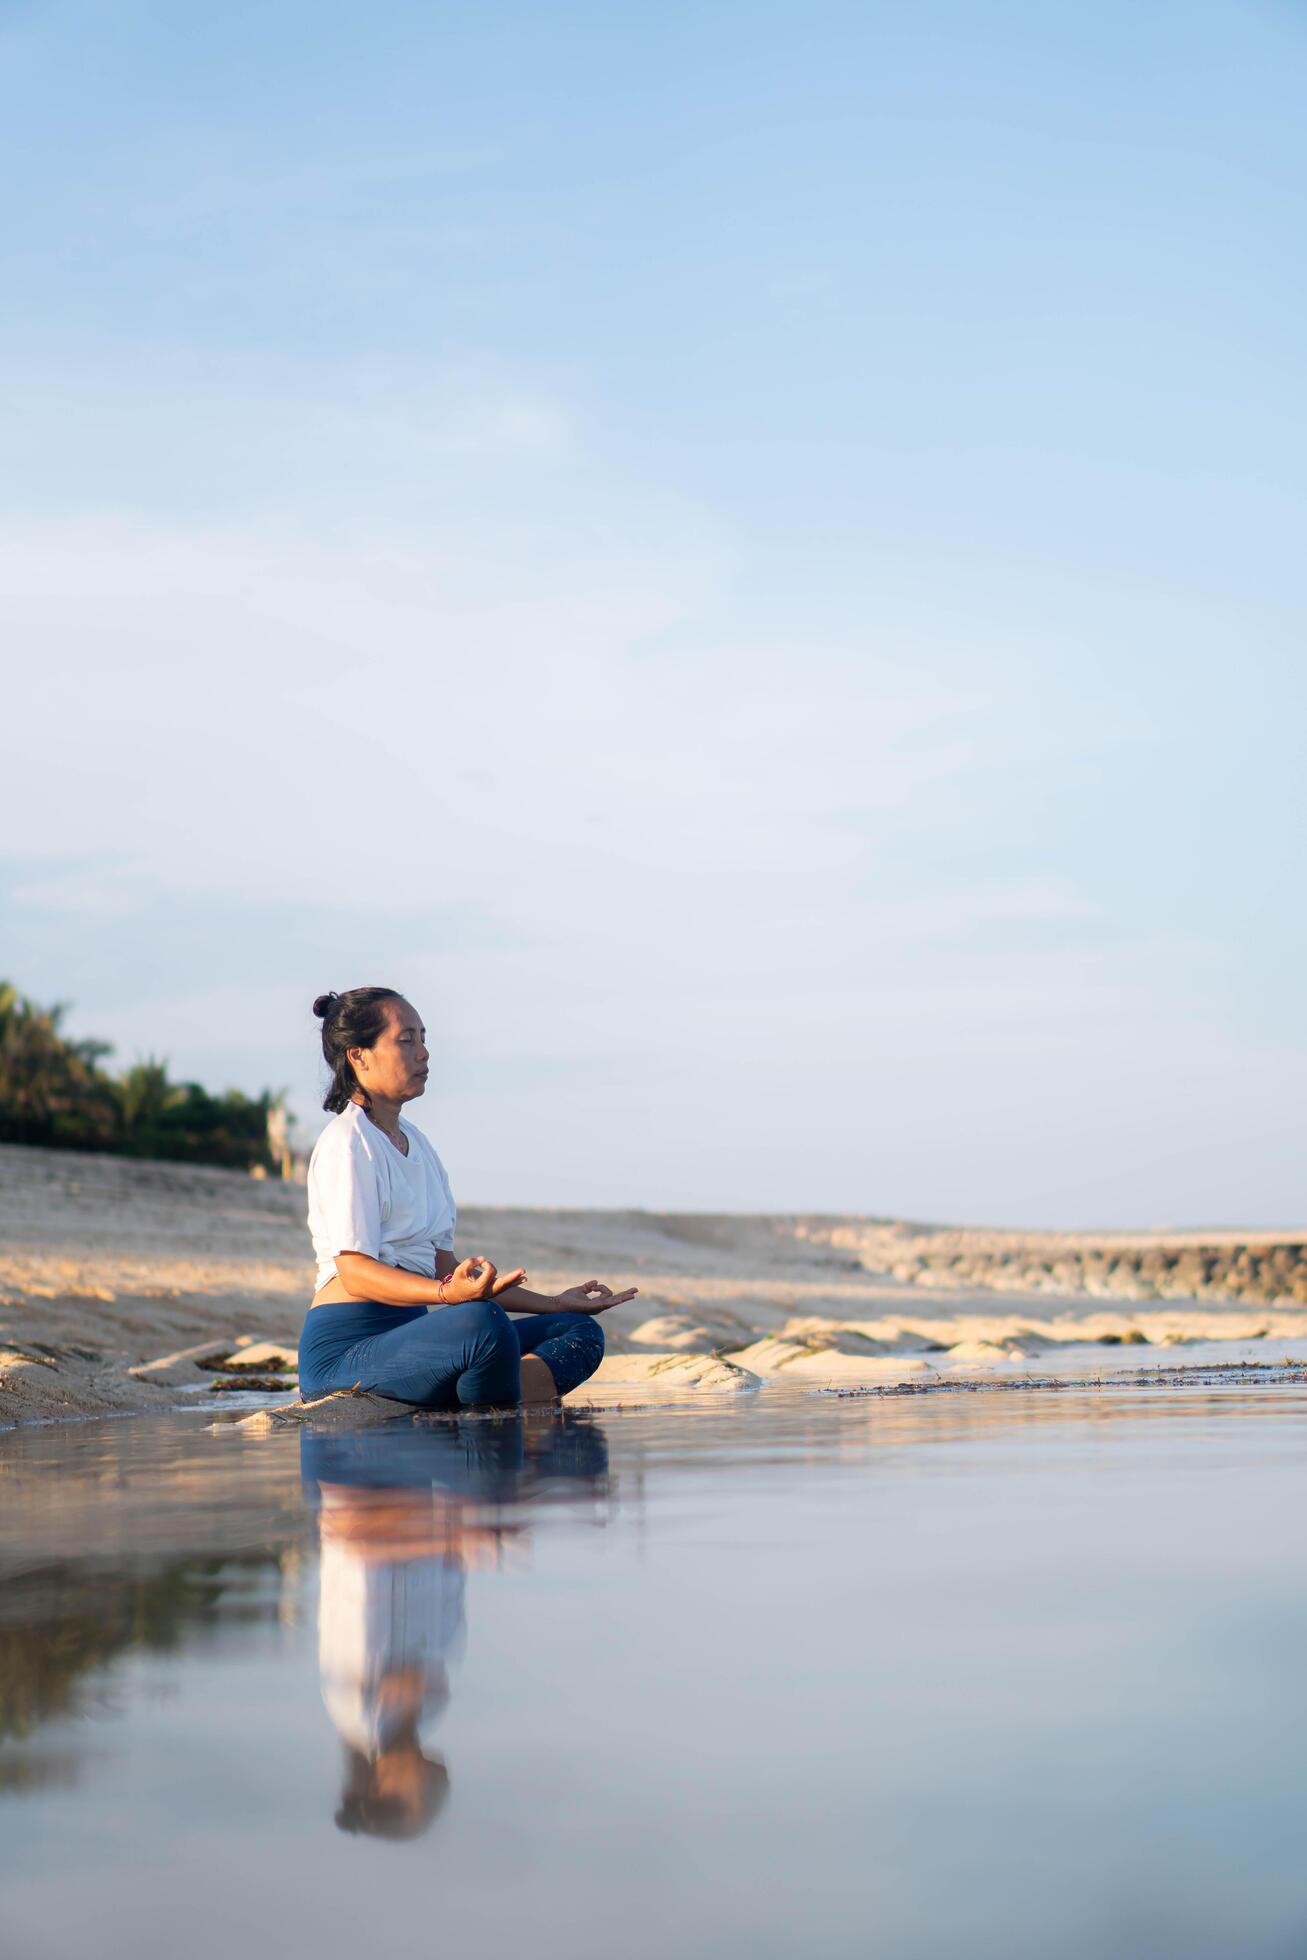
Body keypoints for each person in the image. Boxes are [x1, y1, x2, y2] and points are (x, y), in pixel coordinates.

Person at [298, 986, 636, 1411]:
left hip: (416, 1343)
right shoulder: (347, 1143)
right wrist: (446, 1296)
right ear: (358, 1055)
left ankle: (476, 1409)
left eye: (424, 1038)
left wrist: (551, 1303)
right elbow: (356, 1274)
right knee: (481, 1324)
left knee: (575, 1331)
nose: (423, 1053)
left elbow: (444, 1269)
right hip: (345, 1356)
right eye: (407, 1040)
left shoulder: (418, 1147)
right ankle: (488, 1410)